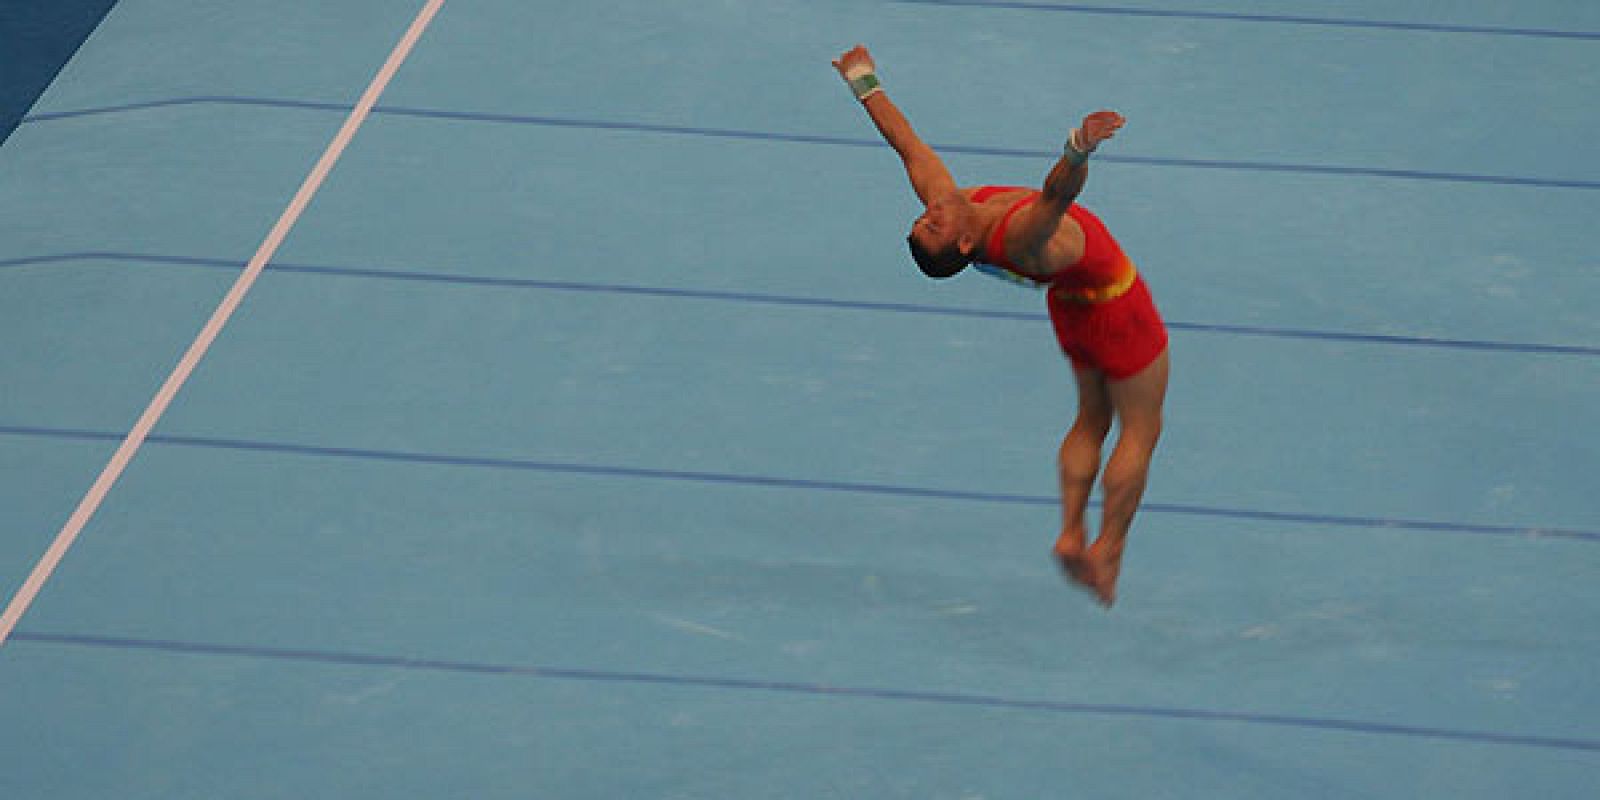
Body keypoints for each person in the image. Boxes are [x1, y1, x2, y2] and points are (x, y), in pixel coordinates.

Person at [832, 44, 1170, 607]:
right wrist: (1077, 148)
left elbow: (906, 145)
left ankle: (1069, 530)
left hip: (1070, 307)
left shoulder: (956, 210)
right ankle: (1108, 549)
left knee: (1091, 416)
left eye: (924, 217)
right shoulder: (1015, 236)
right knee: (1140, 429)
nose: (932, 210)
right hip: (1116, 304)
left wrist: (864, 82)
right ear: (965, 245)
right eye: (934, 224)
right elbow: (1057, 195)